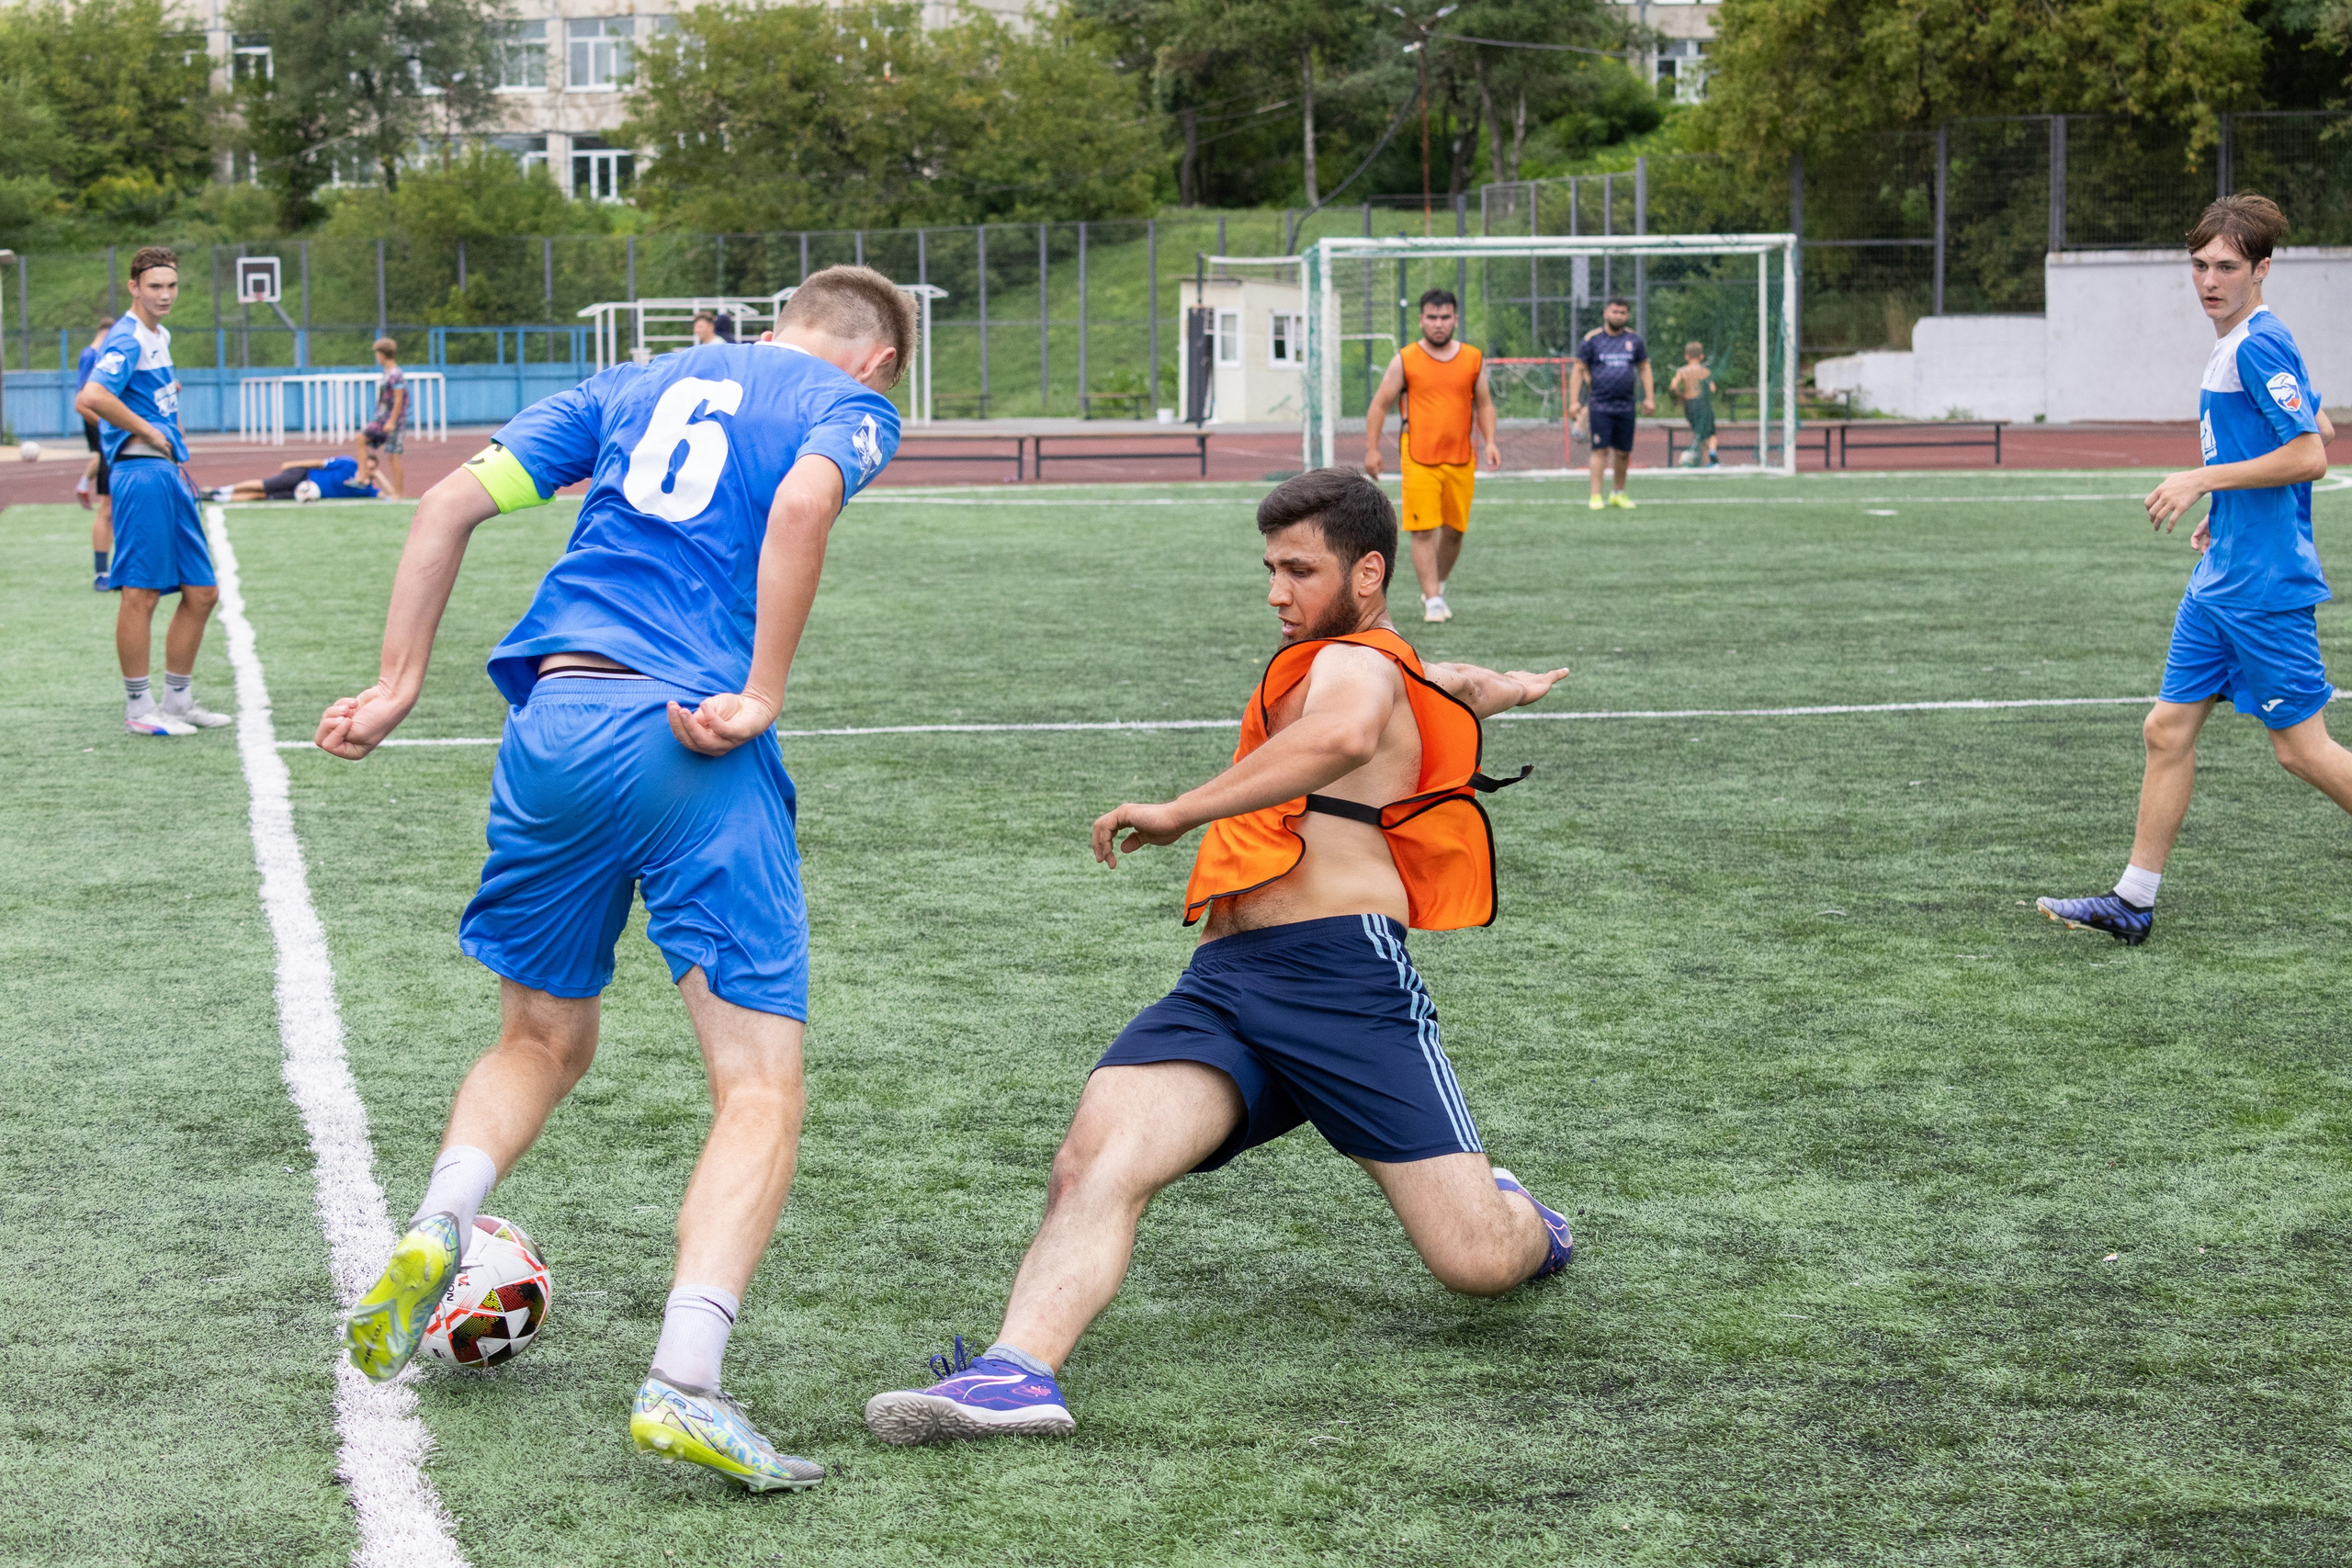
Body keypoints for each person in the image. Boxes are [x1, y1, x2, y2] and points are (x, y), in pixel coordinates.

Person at [320, 265, 910, 1494]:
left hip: (555, 718)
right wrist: (762, 689)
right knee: (757, 1085)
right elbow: (803, 506)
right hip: (687, 737)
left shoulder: (630, 381)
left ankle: (440, 1222)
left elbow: (441, 507)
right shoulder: (841, 404)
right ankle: (685, 1380)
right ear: (877, 359)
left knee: (539, 1037)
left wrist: (394, 687)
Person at [862, 468, 1577, 1448]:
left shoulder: (1356, 666)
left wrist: (1179, 810)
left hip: (1341, 984)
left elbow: (1346, 730)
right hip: (1226, 989)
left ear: (1369, 574)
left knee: (1477, 1261)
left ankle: (1522, 1217)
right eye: (1269, 569)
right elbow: (1451, 683)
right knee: (1094, 1161)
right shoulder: (1373, 659)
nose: (1276, 593)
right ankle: (1017, 1373)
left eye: (1299, 570)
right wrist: (1508, 688)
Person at [2037, 193, 2342, 946]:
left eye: (2228, 267)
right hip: (2222, 576)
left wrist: (2204, 479)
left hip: (2264, 585)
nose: (2209, 280)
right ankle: (2132, 901)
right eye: (2200, 264)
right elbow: (2314, 418)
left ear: (2262, 269)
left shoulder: (2256, 343)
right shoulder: (2238, 337)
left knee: (2301, 749)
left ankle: (2134, 899)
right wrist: (2231, 505)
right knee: (2167, 729)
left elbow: (2313, 450)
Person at [74, 248, 230, 738]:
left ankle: (178, 701)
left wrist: (169, 425)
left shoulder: (158, 335)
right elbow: (91, 397)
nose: (165, 294)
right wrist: (149, 428)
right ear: (134, 287)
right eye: (155, 286)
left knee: (202, 592)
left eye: (172, 286)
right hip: (140, 475)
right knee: (140, 594)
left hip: (167, 475)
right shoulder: (124, 337)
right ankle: (140, 707)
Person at [1361, 288, 1500, 624]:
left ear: (1455, 319)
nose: (1439, 324)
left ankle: (1436, 585)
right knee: (1423, 532)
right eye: (1432, 318)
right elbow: (1380, 404)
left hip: (1461, 457)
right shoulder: (1405, 359)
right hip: (1418, 457)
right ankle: (1433, 601)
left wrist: (1491, 441)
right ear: (1421, 319)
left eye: (1445, 317)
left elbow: (1484, 404)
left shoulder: (1472, 359)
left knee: (1454, 531)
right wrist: (1372, 448)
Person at [1567, 298, 1653, 510]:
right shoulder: (1592, 340)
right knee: (1600, 449)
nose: (1619, 316)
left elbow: (1644, 368)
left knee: (1623, 452)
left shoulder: (1634, 340)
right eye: (1615, 312)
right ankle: (1596, 495)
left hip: (1626, 405)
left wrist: (1649, 397)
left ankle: (1618, 493)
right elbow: (1578, 370)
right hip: (1600, 404)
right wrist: (1574, 401)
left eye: (1623, 313)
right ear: (1606, 313)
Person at [75, 318, 117, 590]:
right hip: (112, 435)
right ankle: (101, 573)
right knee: (108, 508)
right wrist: (110, 426)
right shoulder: (95, 355)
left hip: (129, 439)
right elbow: (83, 400)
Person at [207, 450, 379, 503]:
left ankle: (219, 499)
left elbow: (391, 496)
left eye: (372, 468)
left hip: (305, 493)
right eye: (367, 464)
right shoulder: (348, 463)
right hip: (303, 475)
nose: (367, 468)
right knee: (264, 485)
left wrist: (377, 475)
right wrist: (292, 464)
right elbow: (319, 462)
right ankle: (219, 490)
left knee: (262, 497)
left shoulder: (366, 489)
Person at [356, 337, 409, 501]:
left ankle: (398, 494)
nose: (376, 357)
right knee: (361, 439)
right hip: (382, 419)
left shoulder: (396, 375)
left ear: (383, 354)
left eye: (377, 354)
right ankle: (363, 478)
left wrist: (392, 421)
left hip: (392, 420)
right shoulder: (387, 374)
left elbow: (399, 399)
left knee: (393, 455)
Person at [1670, 342, 1719, 468]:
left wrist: (1681, 395)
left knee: (1700, 434)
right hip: (1703, 404)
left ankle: (1709, 462)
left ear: (1686, 356)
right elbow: (1713, 388)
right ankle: (1712, 452)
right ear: (1702, 356)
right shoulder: (1705, 371)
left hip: (1689, 405)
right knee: (1711, 433)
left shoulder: (1682, 371)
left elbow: (1673, 386)